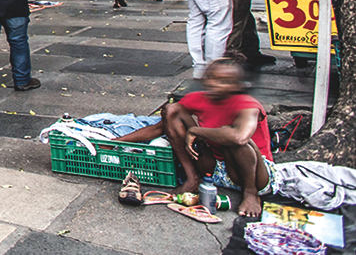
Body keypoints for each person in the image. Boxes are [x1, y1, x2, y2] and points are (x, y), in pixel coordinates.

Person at [115, 59, 280, 217]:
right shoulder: (199, 98)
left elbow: (239, 138)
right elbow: (158, 128)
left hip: (253, 174)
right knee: (172, 109)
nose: (215, 84)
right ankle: (192, 179)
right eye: (211, 78)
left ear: (237, 86)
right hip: (215, 168)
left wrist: (196, 131)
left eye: (224, 81)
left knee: (229, 135)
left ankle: (250, 194)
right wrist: (114, 142)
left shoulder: (248, 105)